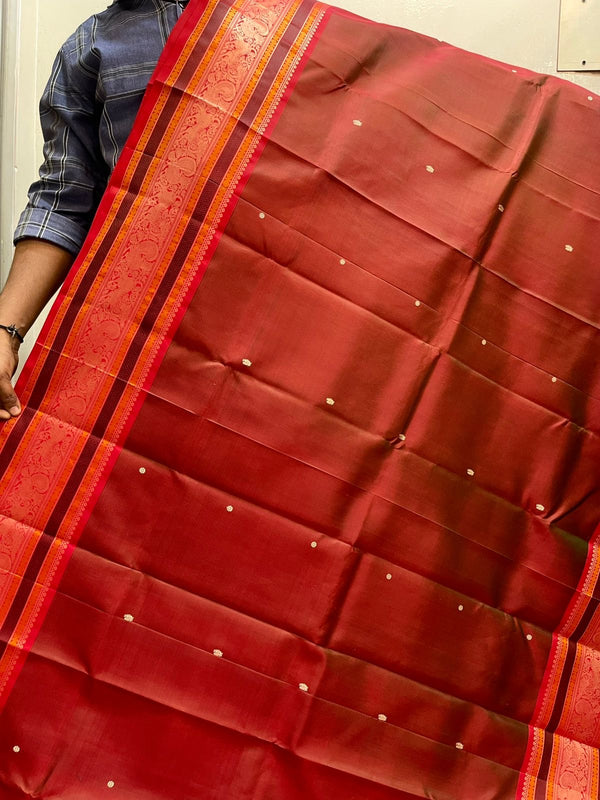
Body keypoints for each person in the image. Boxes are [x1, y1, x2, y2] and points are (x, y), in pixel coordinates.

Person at [0, 0, 188, 422]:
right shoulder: (87, 51)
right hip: (146, 329)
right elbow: (64, 201)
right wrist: (4, 333)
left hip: (289, 319)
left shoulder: (292, 25)